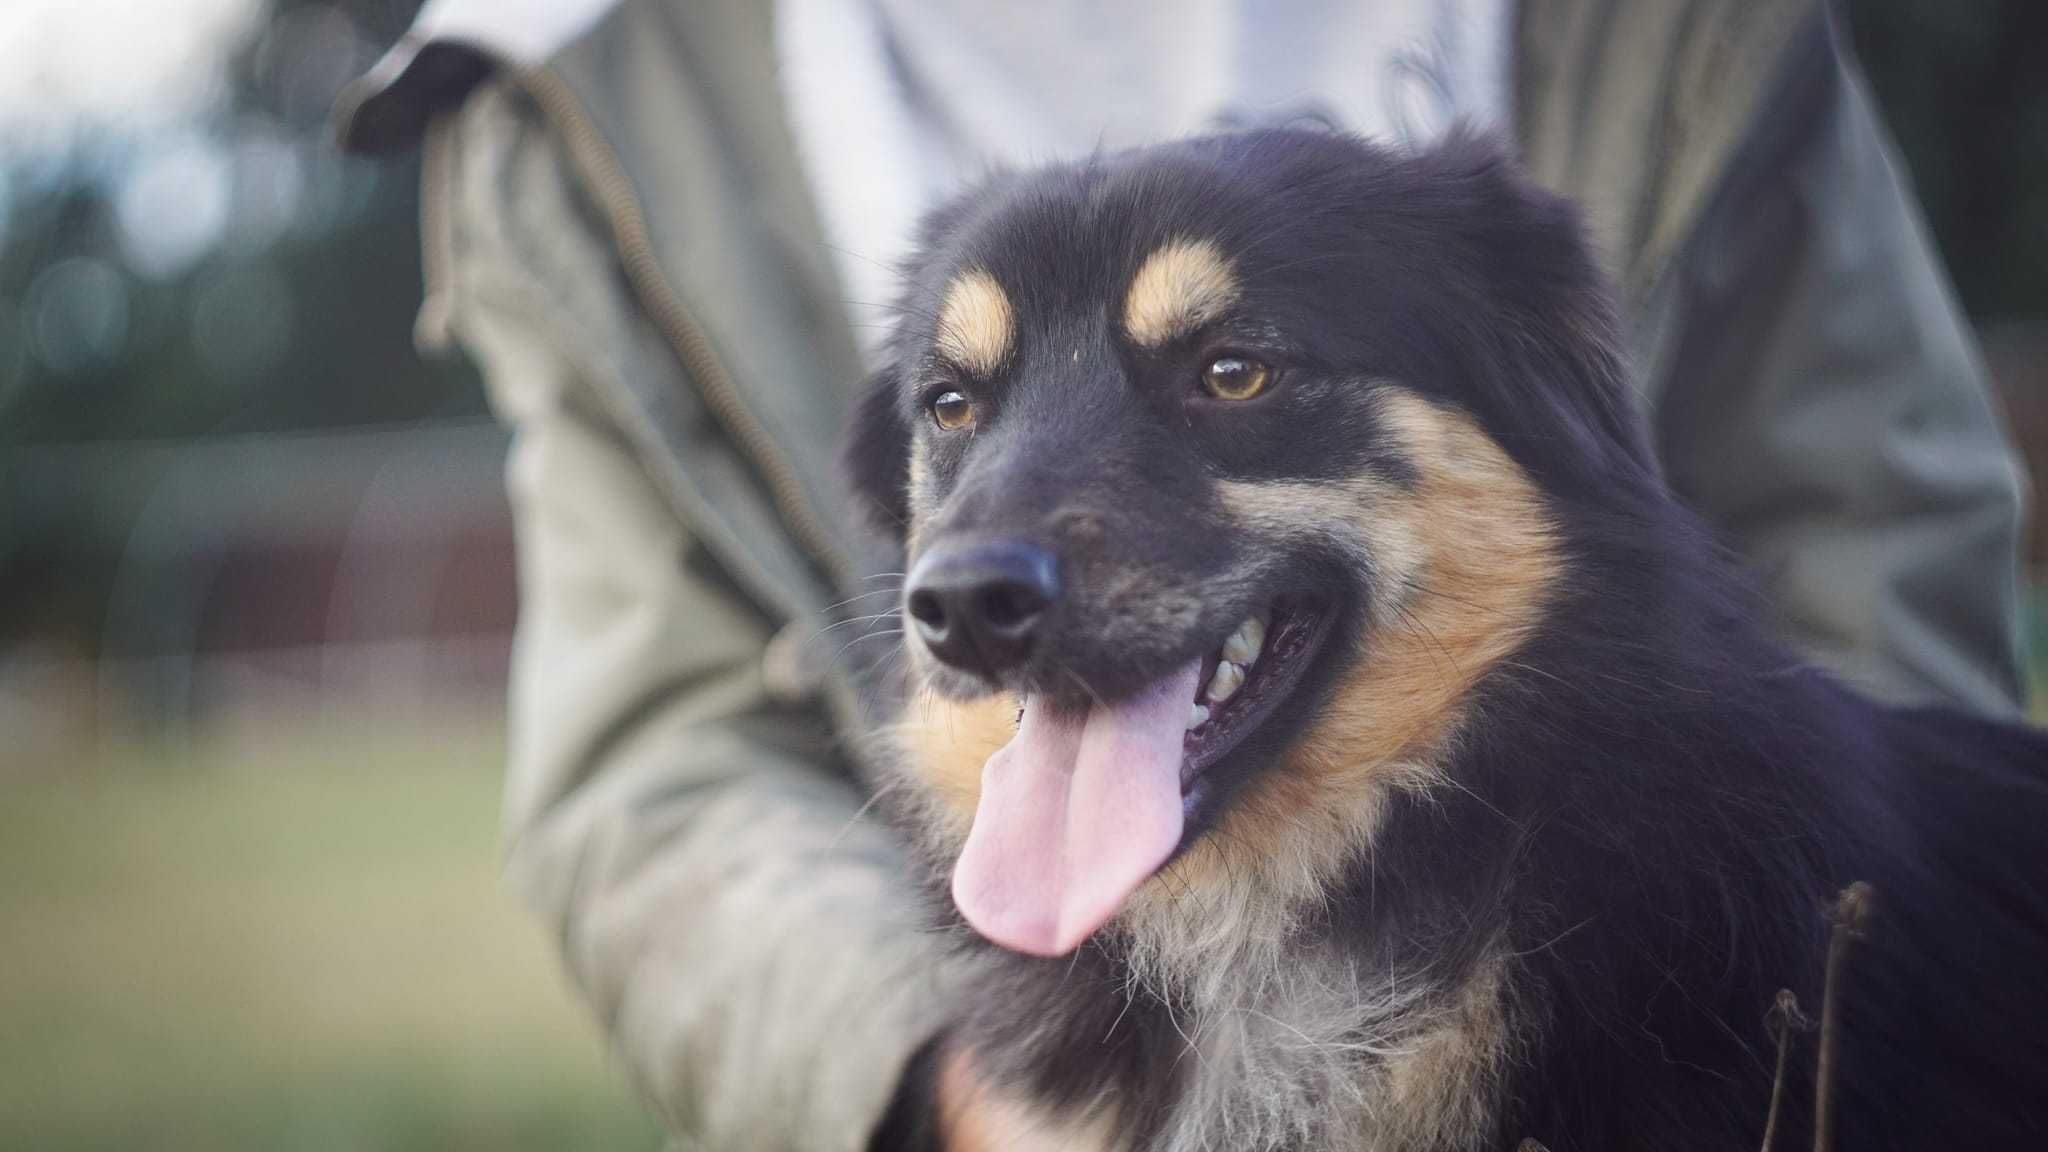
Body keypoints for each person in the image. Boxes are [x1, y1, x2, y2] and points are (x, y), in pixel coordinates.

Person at [335, 1, 2029, 1148]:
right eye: (958, 404)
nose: (977, 550)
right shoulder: (567, 60)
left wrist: (1824, 972)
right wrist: (948, 1096)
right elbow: (657, 762)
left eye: (1231, 373)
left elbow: (1866, 514)